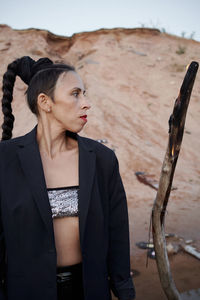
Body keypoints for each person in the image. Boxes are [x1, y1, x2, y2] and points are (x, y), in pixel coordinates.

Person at [0, 56, 135, 300]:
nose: (86, 104)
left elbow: (117, 232)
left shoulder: (102, 159)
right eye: (75, 94)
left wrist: (124, 291)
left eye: (84, 94)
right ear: (45, 102)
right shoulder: (5, 160)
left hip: (89, 291)